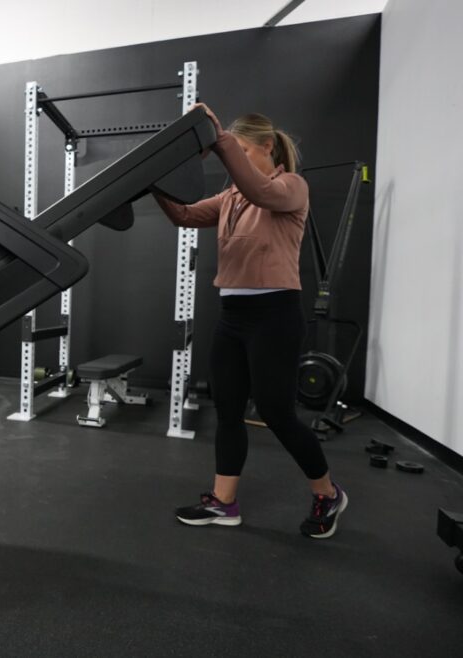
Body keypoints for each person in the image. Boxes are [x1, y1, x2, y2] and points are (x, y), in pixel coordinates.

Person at [154, 104, 347, 539]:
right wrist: (152, 182)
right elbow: (184, 215)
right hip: (233, 316)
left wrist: (220, 141)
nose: (235, 158)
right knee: (227, 411)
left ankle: (328, 493)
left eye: (242, 150)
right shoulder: (231, 199)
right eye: (234, 150)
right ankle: (224, 503)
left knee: (278, 414)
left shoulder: (291, 187)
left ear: (267, 147)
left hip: (275, 315)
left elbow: (260, 190)